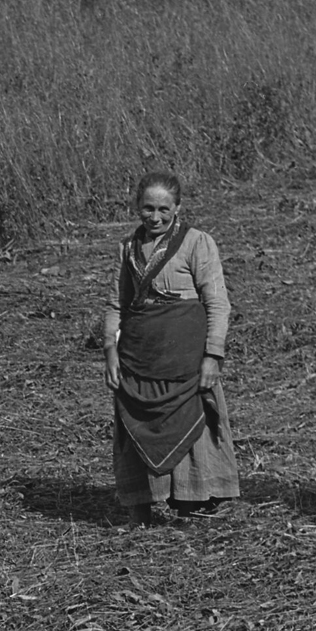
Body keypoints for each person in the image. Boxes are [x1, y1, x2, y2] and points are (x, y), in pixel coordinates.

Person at [102, 171, 236, 524]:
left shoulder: (196, 243)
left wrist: (213, 355)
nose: (156, 217)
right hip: (139, 356)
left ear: (178, 207)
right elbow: (117, 304)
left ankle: (192, 500)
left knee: (191, 421)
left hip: (185, 357)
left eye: (164, 209)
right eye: (148, 209)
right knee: (138, 424)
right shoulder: (128, 248)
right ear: (137, 208)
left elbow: (218, 303)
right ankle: (142, 501)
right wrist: (110, 351)